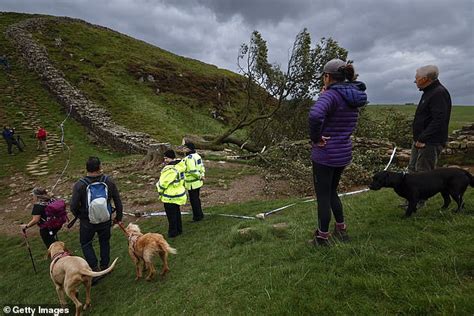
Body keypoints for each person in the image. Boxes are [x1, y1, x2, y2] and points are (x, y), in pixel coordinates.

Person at [308, 59, 367, 246]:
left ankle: (322, 238)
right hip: (343, 152)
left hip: (325, 154)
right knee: (332, 191)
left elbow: (315, 115)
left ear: (327, 77)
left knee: (323, 195)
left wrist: (316, 138)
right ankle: (341, 229)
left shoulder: (330, 95)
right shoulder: (352, 95)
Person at [70, 156, 123, 283]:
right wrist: (118, 217)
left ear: (86, 168)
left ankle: (94, 269)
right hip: (105, 218)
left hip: (87, 221)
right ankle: (105, 266)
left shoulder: (80, 185)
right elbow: (117, 200)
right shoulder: (108, 181)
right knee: (104, 241)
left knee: (86, 243)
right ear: (99, 167)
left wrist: (81, 215)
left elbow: (73, 206)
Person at [409, 65, 452, 173]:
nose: (415, 81)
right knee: (413, 171)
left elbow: (439, 120)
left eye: (417, 78)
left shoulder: (438, 93)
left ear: (425, 79)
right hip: (420, 140)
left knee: (423, 174)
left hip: (429, 143)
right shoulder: (428, 92)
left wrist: (423, 138)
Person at [156, 149, 187, 238]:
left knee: (171, 216)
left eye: (166, 158)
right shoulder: (180, 165)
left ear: (170, 158)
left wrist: (159, 190)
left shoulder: (170, 169)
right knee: (177, 213)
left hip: (170, 196)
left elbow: (163, 183)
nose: (165, 160)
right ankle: (179, 229)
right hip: (178, 194)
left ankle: (173, 232)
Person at [183, 142, 205, 221]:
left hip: (191, 183)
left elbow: (192, 170)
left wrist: (199, 176)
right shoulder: (197, 156)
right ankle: (200, 214)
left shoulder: (189, 158)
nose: (184, 149)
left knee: (194, 200)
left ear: (189, 149)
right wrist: (202, 175)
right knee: (197, 199)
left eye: (185, 148)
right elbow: (202, 166)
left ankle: (197, 216)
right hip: (198, 182)